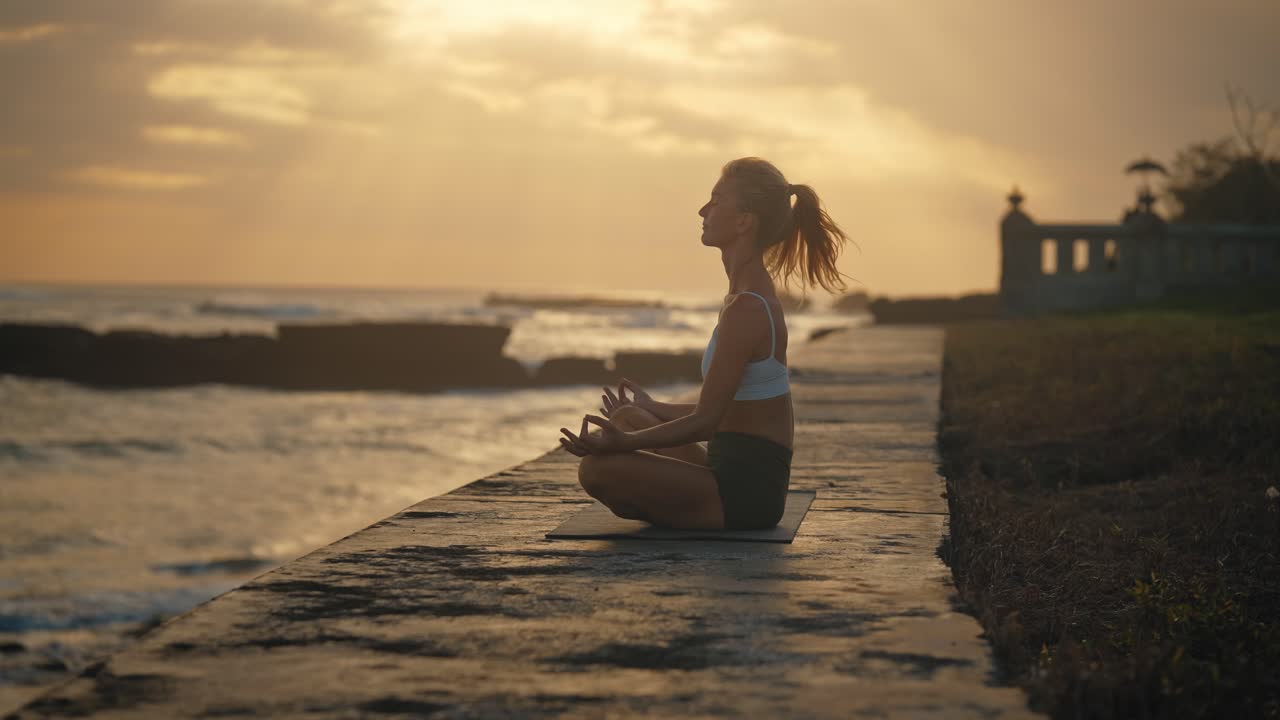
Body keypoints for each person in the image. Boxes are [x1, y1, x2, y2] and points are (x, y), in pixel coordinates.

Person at [558, 157, 852, 530]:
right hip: (730, 470)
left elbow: (706, 423)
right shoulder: (743, 297)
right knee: (628, 417)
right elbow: (727, 412)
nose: (703, 210)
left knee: (597, 469)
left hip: (746, 496)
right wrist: (652, 407)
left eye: (715, 200)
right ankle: (681, 505)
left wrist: (620, 446)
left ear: (744, 220)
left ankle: (689, 511)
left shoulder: (747, 308)